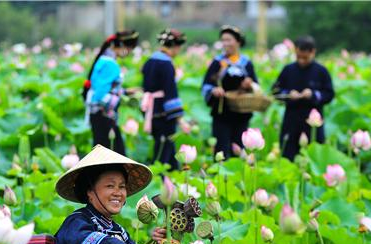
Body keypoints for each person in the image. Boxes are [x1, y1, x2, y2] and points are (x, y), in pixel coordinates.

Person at [272, 36, 335, 161]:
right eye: (298, 57)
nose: (301, 61)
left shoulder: (321, 71)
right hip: (291, 120)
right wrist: (289, 93)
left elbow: (329, 94)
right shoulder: (288, 70)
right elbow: (275, 91)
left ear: (313, 52)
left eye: (305, 58)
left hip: (313, 123)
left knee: (314, 159)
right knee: (288, 157)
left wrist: (313, 94)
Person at [201, 25, 259, 158]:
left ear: (238, 42)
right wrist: (214, 90)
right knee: (221, 148)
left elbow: (256, 86)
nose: (225, 43)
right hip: (222, 113)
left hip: (241, 112)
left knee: (239, 147)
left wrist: (248, 85)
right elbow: (206, 85)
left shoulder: (246, 63)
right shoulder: (217, 62)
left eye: (229, 40)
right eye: (223, 40)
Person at [83, 31, 139, 155]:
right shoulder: (110, 64)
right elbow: (99, 96)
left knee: (101, 154)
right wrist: (122, 100)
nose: (129, 53)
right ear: (120, 46)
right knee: (115, 154)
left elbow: (101, 87)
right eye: (129, 49)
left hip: (96, 115)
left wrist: (125, 92)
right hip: (104, 116)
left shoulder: (103, 60)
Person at [141, 29, 187, 170]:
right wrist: (180, 120)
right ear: (175, 46)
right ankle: (157, 180)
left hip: (151, 110)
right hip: (164, 113)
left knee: (167, 148)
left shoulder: (149, 61)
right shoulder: (167, 64)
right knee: (163, 152)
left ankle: (173, 178)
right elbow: (170, 92)